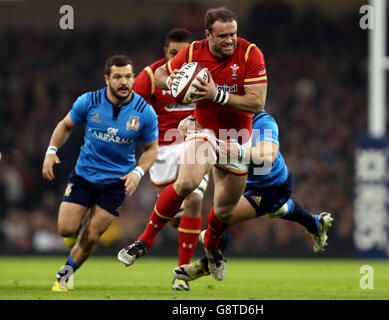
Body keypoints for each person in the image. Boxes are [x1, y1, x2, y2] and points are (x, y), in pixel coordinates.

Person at [117, 7, 267, 282]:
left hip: (237, 137)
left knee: (223, 211)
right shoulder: (192, 53)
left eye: (233, 34)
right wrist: (171, 79)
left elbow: (257, 102)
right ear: (207, 34)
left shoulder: (249, 53)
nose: (230, 40)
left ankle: (211, 248)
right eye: (223, 36)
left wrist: (216, 94)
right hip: (203, 129)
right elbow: (161, 75)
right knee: (188, 184)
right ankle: (144, 241)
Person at [173, 110, 334, 284]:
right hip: (246, 183)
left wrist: (240, 151)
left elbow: (269, 155)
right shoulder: (222, 117)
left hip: (271, 187)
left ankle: (206, 265)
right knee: (278, 209)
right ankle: (316, 224)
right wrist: (186, 126)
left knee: (222, 219)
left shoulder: (263, 121)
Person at [42, 55, 159, 292]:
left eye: (128, 76)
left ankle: (65, 274)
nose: (124, 82)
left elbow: (152, 150)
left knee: (93, 234)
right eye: (118, 77)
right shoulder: (89, 101)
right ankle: (75, 229)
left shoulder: (144, 112)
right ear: (107, 79)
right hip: (84, 175)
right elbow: (65, 125)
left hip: (117, 182)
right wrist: (51, 150)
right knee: (66, 229)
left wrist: (138, 171)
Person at [130, 28, 209, 291]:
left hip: (195, 141)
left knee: (195, 199)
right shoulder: (150, 77)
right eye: (174, 53)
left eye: (184, 53)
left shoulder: (204, 75)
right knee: (175, 216)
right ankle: (183, 229)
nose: (179, 57)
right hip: (163, 149)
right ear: (166, 53)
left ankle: (181, 274)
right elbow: (134, 114)